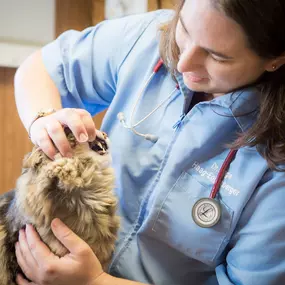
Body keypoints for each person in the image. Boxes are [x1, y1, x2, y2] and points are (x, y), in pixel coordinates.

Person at [13, 0, 285, 284]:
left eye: (218, 57)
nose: (183, 63)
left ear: (275, 58)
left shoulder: (276, 165)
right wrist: (42, 119)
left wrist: (95, 282)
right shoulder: (146, 37)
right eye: (185, 29)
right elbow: (42, 69)